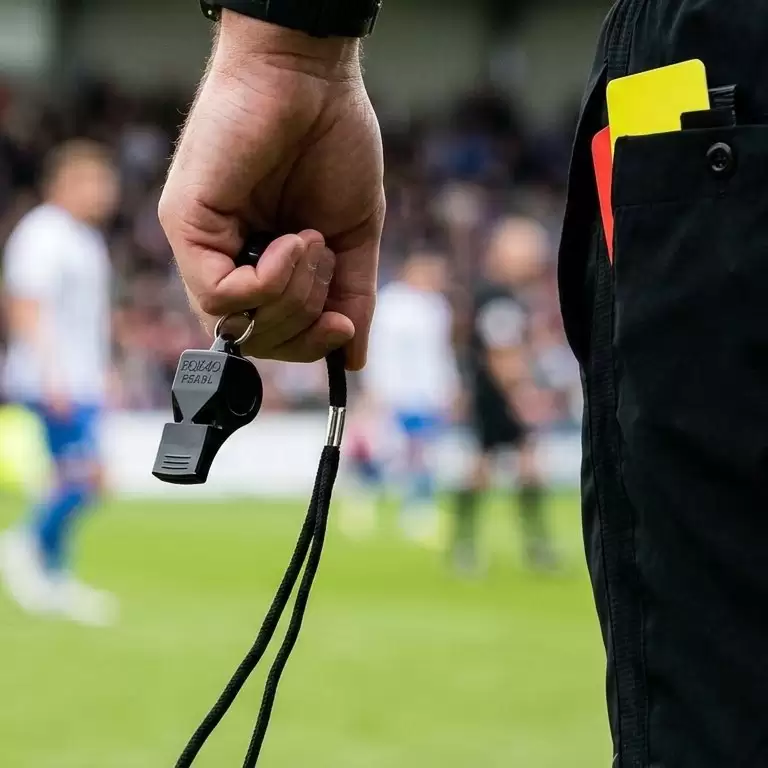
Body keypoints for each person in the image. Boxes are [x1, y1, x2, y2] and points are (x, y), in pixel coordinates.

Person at [163, 2, 768, 766]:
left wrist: (287, 52)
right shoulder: (485, 300)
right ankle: (459, 534)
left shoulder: (486, 298)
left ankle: (459, 534)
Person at [0, 140, 120, 626]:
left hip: (81, 377)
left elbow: (88, 318)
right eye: (97, 183)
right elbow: (26, 305)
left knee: (82, 478)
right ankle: (24, 545)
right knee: (83, 477)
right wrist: (51, 374)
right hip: (55, 380)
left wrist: (103, 370)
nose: (106, 194)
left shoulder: (84, 238)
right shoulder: (43, 233)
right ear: (67, 182)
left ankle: (53, 575)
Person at [452, 216, 558, 573]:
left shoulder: (495, 293)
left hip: (491, 392)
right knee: (492, 469)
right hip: (497, 395)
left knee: (516, 468)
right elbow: (502, 352)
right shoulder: (498, 297)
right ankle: (478, 547)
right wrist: (522, 394)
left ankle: (470, 547)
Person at [347, 248, 459, 545]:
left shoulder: (437, 307)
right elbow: (377, 348)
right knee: (385, 451)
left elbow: (441, 352)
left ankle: (418, 511)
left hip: (426, 393)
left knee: (421, 452)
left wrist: (449, 386)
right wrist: (374, 385)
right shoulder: (390, 303)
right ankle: (362, 499)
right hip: (392, 391)